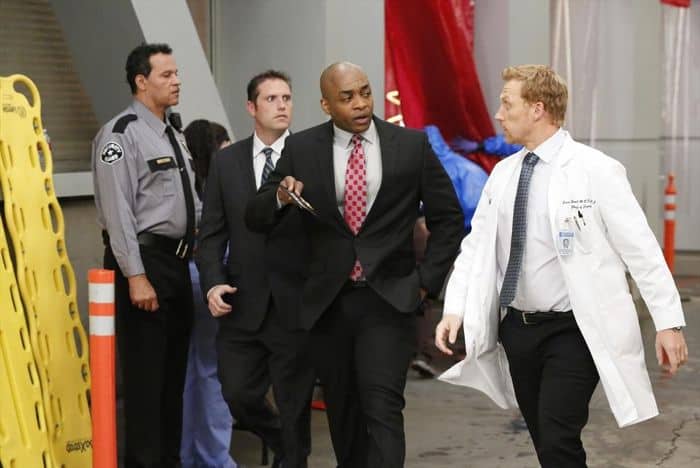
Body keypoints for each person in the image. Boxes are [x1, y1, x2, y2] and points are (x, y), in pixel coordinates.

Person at [436, 64, 689, 468]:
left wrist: (668, 322)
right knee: (545, 439)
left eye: (507, 104)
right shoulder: (503, 174)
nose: (498, 114)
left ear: (537, 109)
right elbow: (477, 247)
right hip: (518, 329)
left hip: (574, 330)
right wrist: (455, 308)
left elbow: (641, 249)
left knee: (557, 435)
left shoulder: (596, 170)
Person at [246, 62, 464, 467]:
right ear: (326, 105)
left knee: (383, 407)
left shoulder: (410, 145)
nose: (361, 103)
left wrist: (424, 283)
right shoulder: (302, 149)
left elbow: (448, 219)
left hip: (390, 300)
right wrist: (279, 196)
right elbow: (255, 216)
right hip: (329, 305)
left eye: (365, 92)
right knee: (344, 414)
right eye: (347, 97)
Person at [196, 70, 313, 468]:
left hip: (295, 306)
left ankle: (292, 453)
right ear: (251, 107)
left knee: (295, 405)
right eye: (271, 99)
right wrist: (213, 283)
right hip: (242, 304)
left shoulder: (310, 157)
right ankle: (287, 445)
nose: (282, 106)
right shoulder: (226, 162)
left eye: (287, 98)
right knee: (238, 394)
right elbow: (211, 233)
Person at [92, 42, 199, 467]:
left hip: (177, 264)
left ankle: (169, 461)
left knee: (173, 379)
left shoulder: (173, 133)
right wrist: (135, 276)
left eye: (176, 73)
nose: (177, 81)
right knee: (145, 381)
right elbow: (117, 213)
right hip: (143, 264)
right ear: (141, 81)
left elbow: (190, 202)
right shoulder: (120, 135)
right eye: (166, 75)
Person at [180, 119, 236, 468]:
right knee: (214, 372)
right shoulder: (212, 194)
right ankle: (215, 458)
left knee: (190, 373)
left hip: (185, 277)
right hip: (209, 280)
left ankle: (191, 456)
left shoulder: (185, 186)